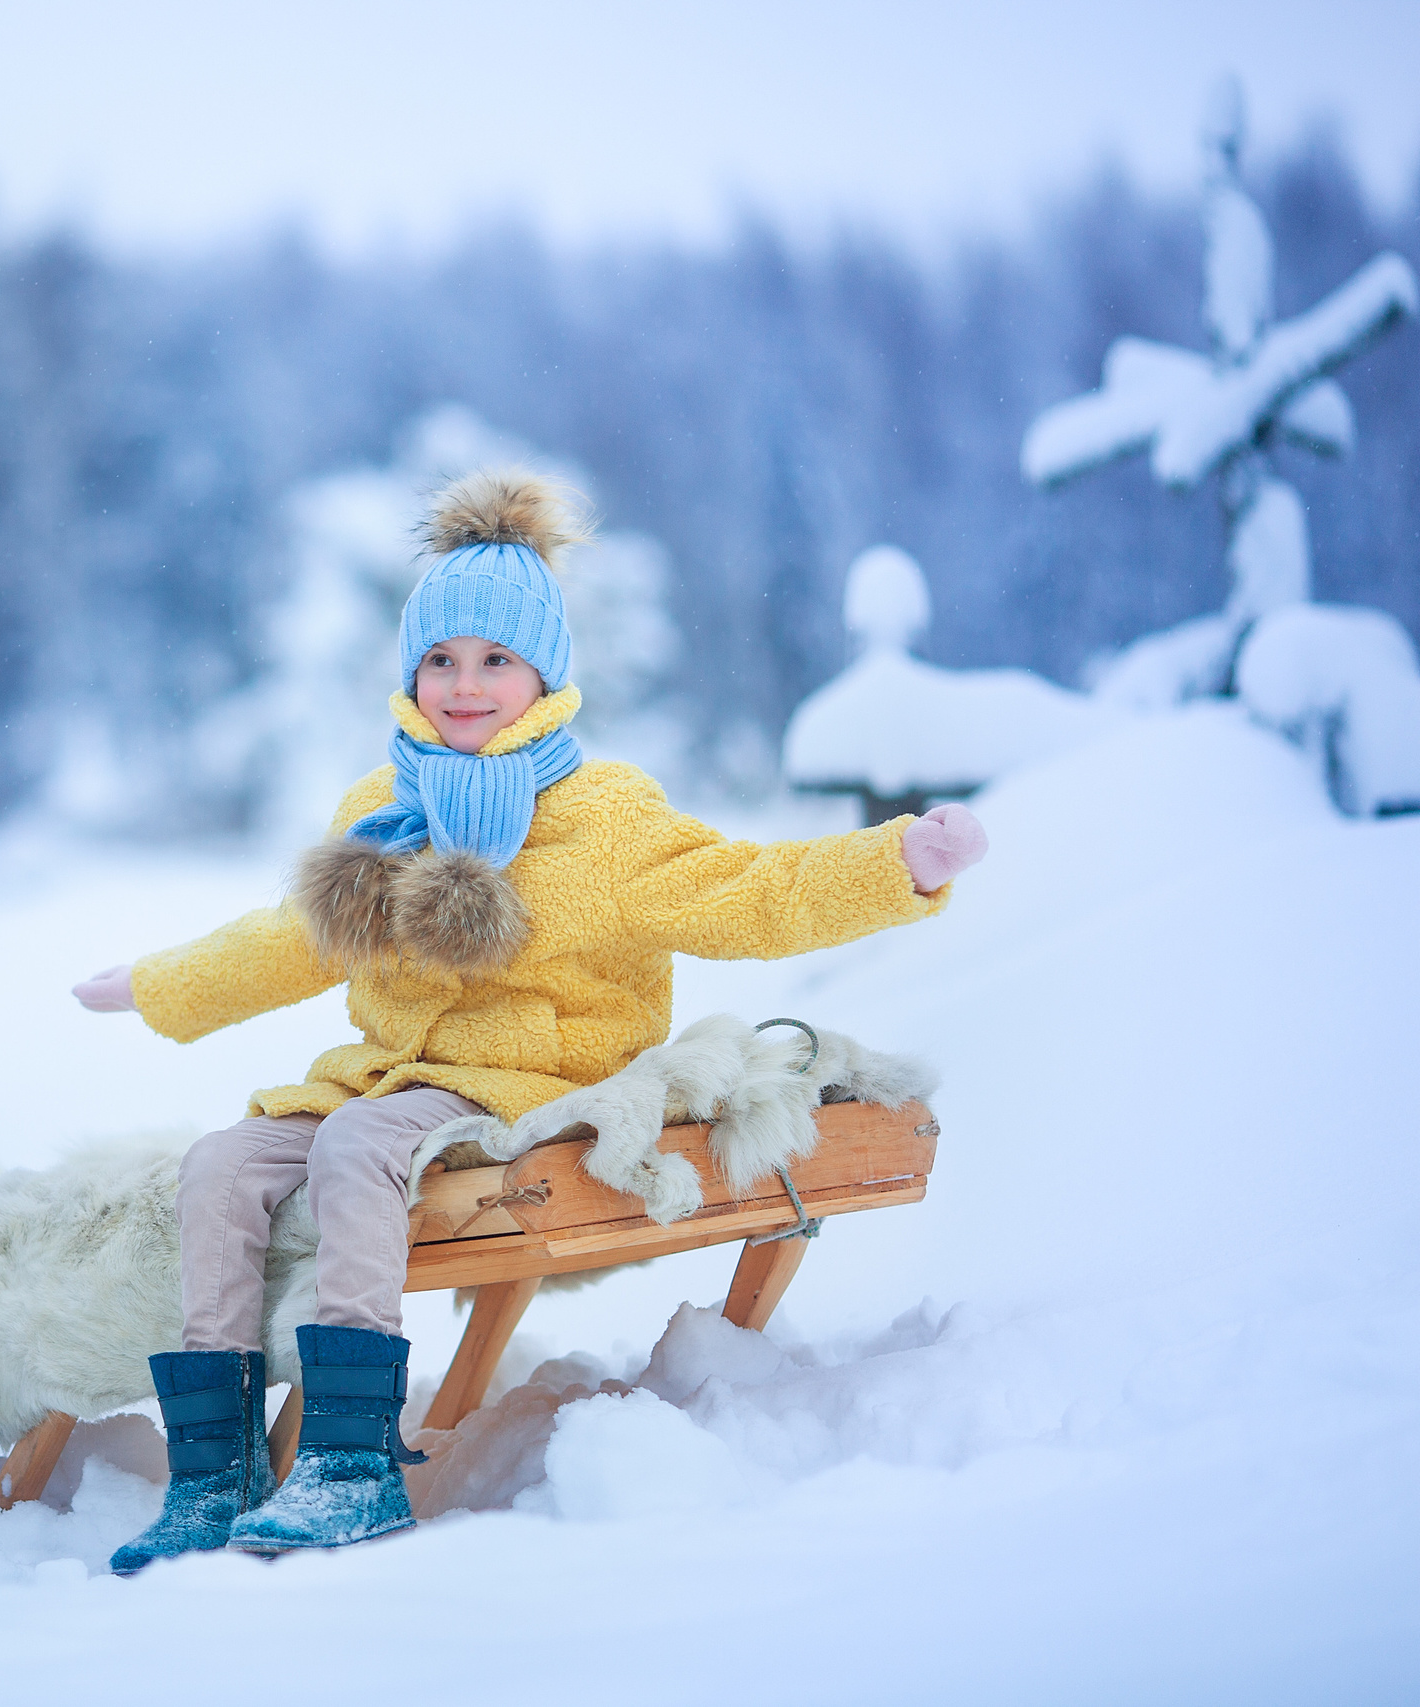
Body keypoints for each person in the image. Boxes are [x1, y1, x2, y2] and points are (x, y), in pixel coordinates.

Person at [73, 469, 988, 1571]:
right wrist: (161, 983)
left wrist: (895, 863)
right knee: (223, 1164)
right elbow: (289, 941)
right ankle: (211, 1474)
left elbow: (748, 889)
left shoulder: (603, 819)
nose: (464, 686)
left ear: (543, 676)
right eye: (440, 661)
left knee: (357, 1147)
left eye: (495, 660)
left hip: (531, 1074)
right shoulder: (383, 806)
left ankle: (349, 1465)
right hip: (389, 1074)